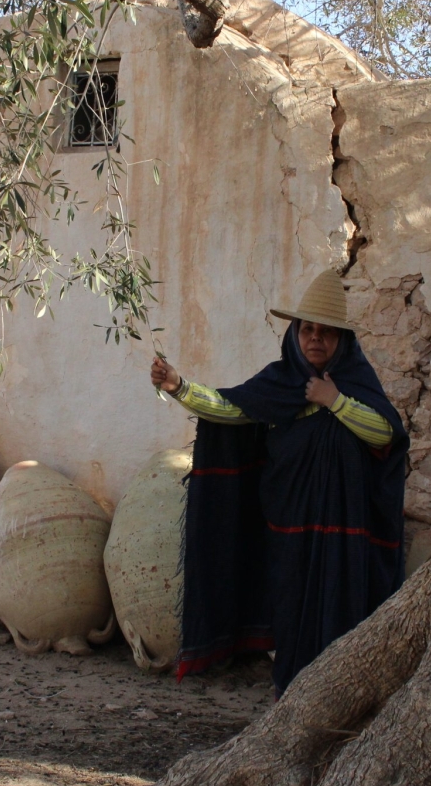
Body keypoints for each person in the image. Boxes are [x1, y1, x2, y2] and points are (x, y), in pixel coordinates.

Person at [150, 269, 409, 697]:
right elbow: (231, 409)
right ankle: (292, 696)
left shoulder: (358, 384)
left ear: (343, 341)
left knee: (341, 608)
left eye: (327, 333)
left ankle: (340, 697)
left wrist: (335, 401)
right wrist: (180, 387)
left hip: (345, 535)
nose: (316, 340)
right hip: (289, 524)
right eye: (308, 329)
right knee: (290, 608)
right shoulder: (279, 381)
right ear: (295, 334)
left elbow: (386, 434)